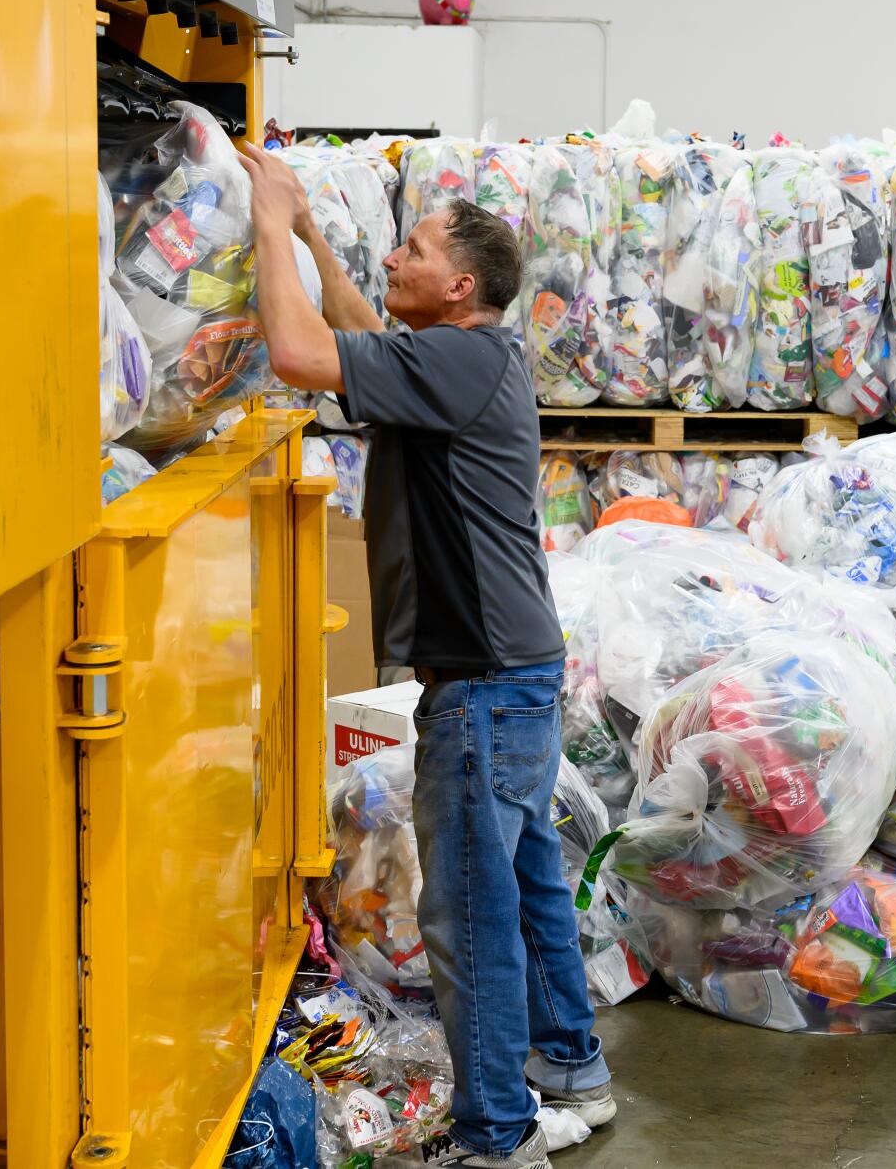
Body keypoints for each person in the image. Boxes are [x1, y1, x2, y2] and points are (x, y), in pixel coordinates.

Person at [239, 142, 612, 1169]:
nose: (392, 257)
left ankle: (496, 1138)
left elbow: (303, 355)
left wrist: (270, 222)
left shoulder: (458, 359)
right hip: (519, 673)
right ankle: (571, 1067)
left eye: (411, 248)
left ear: (458, 287)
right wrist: (312, 232)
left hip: (485, 689)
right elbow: (359, 333)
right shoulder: (461, 359)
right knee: (529, 881)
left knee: (468, 912)